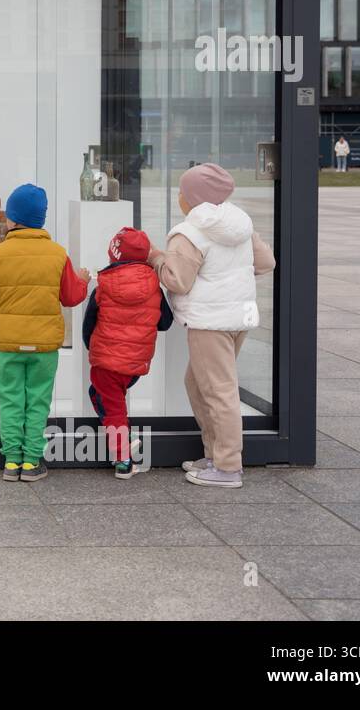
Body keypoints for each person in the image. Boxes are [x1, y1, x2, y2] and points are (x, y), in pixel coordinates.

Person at [149, 164, 276, 488]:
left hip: (209, 323)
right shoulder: (240, 225)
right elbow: (265, 263)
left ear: (192, 198)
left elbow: (178, 280)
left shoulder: (189, 233)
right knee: (197, 383)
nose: (179, 197)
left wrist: (157, 260)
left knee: (219, 391)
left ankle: (228, 467)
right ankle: (215, 455)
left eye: (182, 191)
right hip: (238, 319)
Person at [0, 184, 89, 482]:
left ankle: (11, 461)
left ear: (11, 219)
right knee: (38, 400)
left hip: (8, 343)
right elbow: (71, 296)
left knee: (10, 399)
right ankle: (31, 463)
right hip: (44, 344)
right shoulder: (57, 253)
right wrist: (84, 280)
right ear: (41, 219)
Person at [82, 227, 173, 478]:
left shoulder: (104, 283)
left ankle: (124, 460)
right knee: (102, 396)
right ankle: (123, 437)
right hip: (135, 363)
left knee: (113, 409)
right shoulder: (154, 285)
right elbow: (165, 322)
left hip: (105, 361)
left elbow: (89, 322)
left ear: (113, 254)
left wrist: (93, 347)